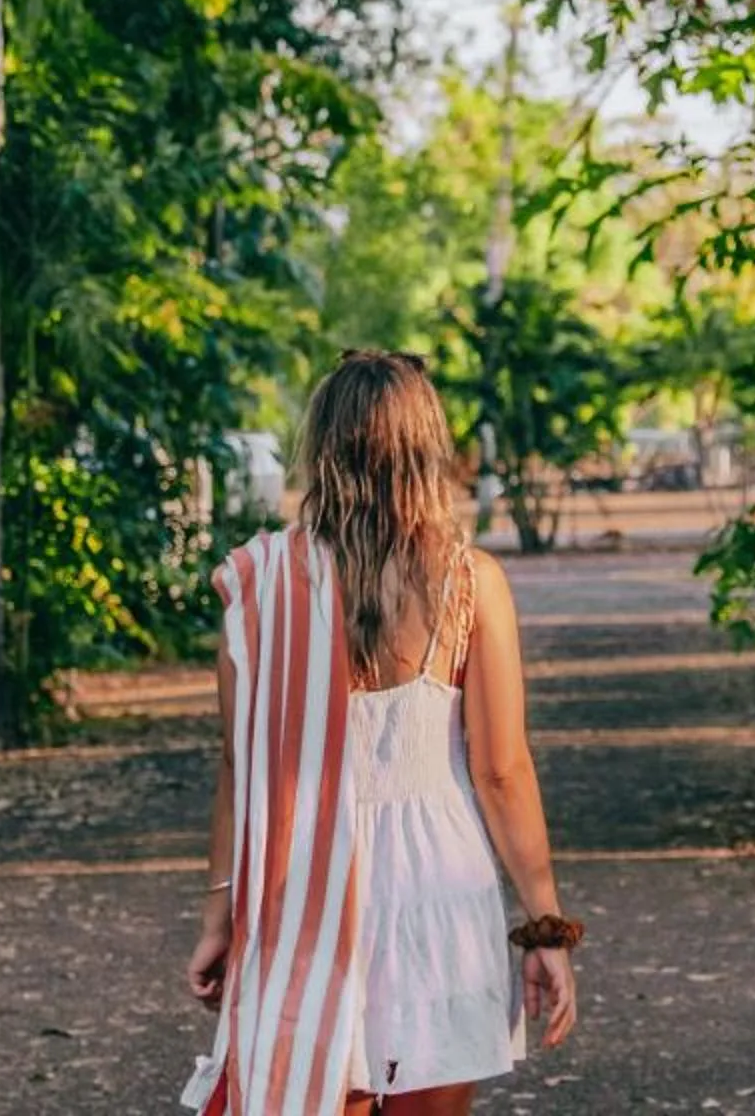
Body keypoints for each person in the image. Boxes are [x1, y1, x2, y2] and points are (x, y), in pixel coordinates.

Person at [182, 350, 581, 1115]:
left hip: (305, 896)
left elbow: (241, 769)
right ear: (426, 447)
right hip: (440, 893)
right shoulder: (468, 582)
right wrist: (544, 929)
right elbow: (501, 772)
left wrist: (219, 922)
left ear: (321, 449)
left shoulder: (258, 583)